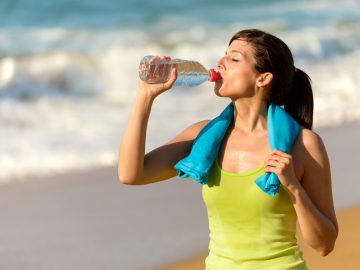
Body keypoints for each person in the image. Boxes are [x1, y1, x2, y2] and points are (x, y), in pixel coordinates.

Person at [118, 29, 338, 269]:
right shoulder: (203, 137)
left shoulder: (304, 145)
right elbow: (130, 174)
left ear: (262, 78)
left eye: (234, 59)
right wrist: (144, 96)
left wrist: (294, 188)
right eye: (224, 55)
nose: (220, 63)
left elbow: (324, 245)